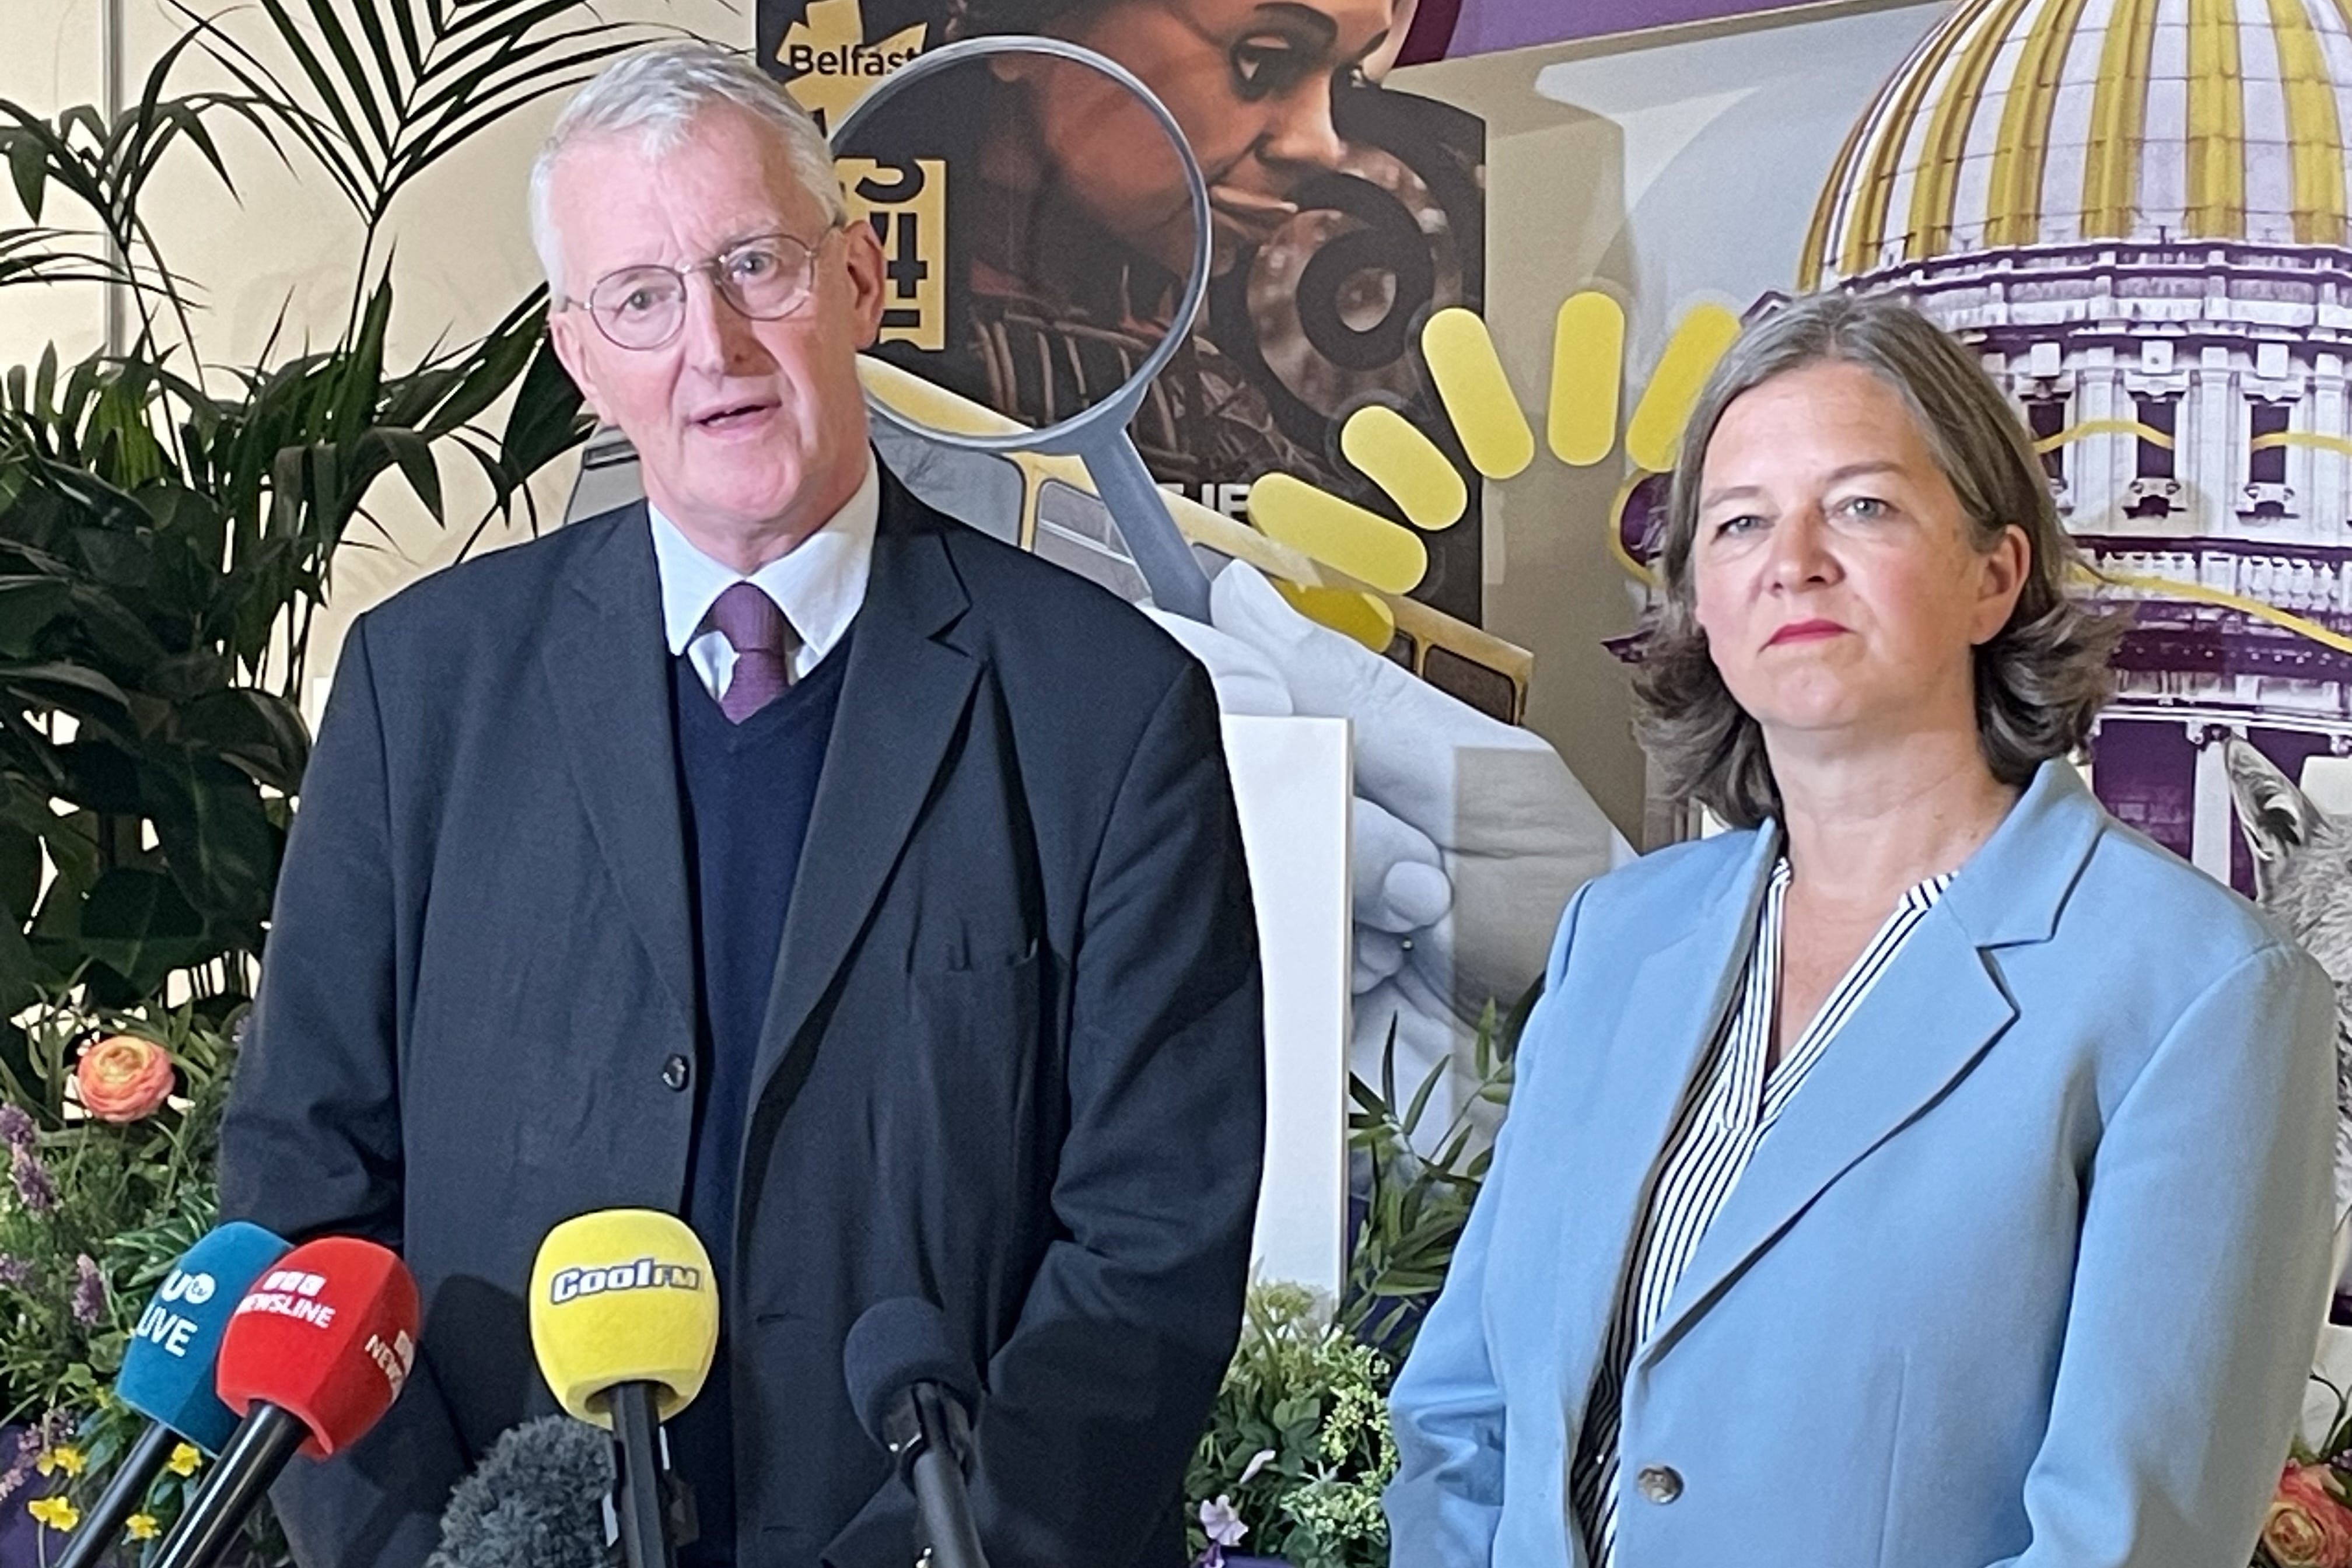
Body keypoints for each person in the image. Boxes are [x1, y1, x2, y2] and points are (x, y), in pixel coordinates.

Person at [218, 40, 1265, 1568]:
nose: (712, 345)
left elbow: (1147, 1262)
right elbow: (304, 1194)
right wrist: (435, 1555)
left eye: (753, 266)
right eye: (641, 296)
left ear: (857, 281)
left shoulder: (1105, 711)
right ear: (583, 356)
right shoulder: (419, 689)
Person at [1382, 291, 2340, 1567]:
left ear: (1994, 575)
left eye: (1864, 505)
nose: (1795, 559)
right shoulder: (1618, 937)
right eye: (1739, 523)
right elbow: (1460, 1417)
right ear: (1702, 609)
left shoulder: (2201, 993)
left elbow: (2126, 1544)